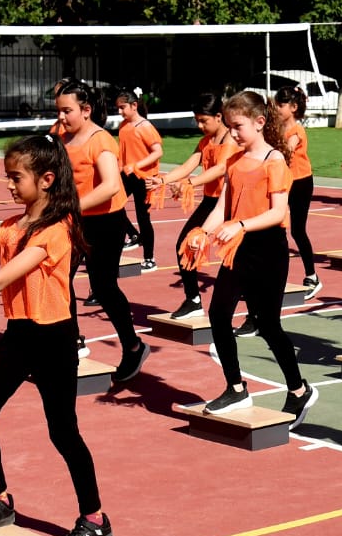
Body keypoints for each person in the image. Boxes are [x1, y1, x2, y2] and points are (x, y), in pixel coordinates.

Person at [0, 134, 114, 536]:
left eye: (16, 177)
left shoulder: (58, 229)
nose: (9, 185)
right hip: (19, 334)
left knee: (63, 431)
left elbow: (1, 279)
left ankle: (94, 520)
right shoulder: (8, 227)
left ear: (46, 179)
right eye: (8, 177)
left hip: (53, 338)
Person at [195, 91, 317, 420]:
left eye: (238, 126)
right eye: (229, 126)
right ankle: (235, 388)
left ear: (260, 122)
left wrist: (241, 225)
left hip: (268, 250)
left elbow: (278, 213)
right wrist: (202, 233)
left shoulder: (274, 161)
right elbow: (222, 206)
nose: (233, 133)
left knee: (268, 325)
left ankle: (299, 390)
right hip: (239, 249)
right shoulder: (234, 161)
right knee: (218, 314)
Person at [55, 80, 149, 384]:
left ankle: (133, 346)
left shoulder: (101, 141)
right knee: (59, 279)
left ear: (86, 110)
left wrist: (73, 206)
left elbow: (109, 186)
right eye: (58, 111)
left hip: (105, 222)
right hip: (75, 221)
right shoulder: (61, 137)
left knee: (104, 287)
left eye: (67, 111)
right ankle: (71, 341)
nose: (61, 117)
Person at [155, 94, 236, 320]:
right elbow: (188, 165)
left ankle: (253, 309)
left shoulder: (230, 139)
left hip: (229, 203)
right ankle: (193, 300)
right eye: (197, 120)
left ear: (218, 116)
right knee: (186, 244)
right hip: (211, 202)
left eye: (203, 120)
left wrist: (191, 183)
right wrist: (163, 180)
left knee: (237, 255)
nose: (199, 125)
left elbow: (220, 169)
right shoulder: (206, 141)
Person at [271, 83, 322, 300]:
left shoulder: (296, 130)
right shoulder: (278, 128)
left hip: (300, 182)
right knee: (276, 229)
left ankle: (312, 276)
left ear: (293, 107)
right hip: (284, 182)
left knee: (297, 231)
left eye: (280, 105)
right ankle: (273, 276)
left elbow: (288, 149)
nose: (276, 109)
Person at [114, 89, 163, 272]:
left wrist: (136, 166)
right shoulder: (123, 126)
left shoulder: (145, 127)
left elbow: (157, 152)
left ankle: (149, 259)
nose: (120, 111)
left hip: (144, 178)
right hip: (127, 175)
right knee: (113, 205)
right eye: (118, 108)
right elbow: (122, 152)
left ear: (134, 106)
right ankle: (134, 235)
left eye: (122, 107)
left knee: (143, 218)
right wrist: (119, 168)